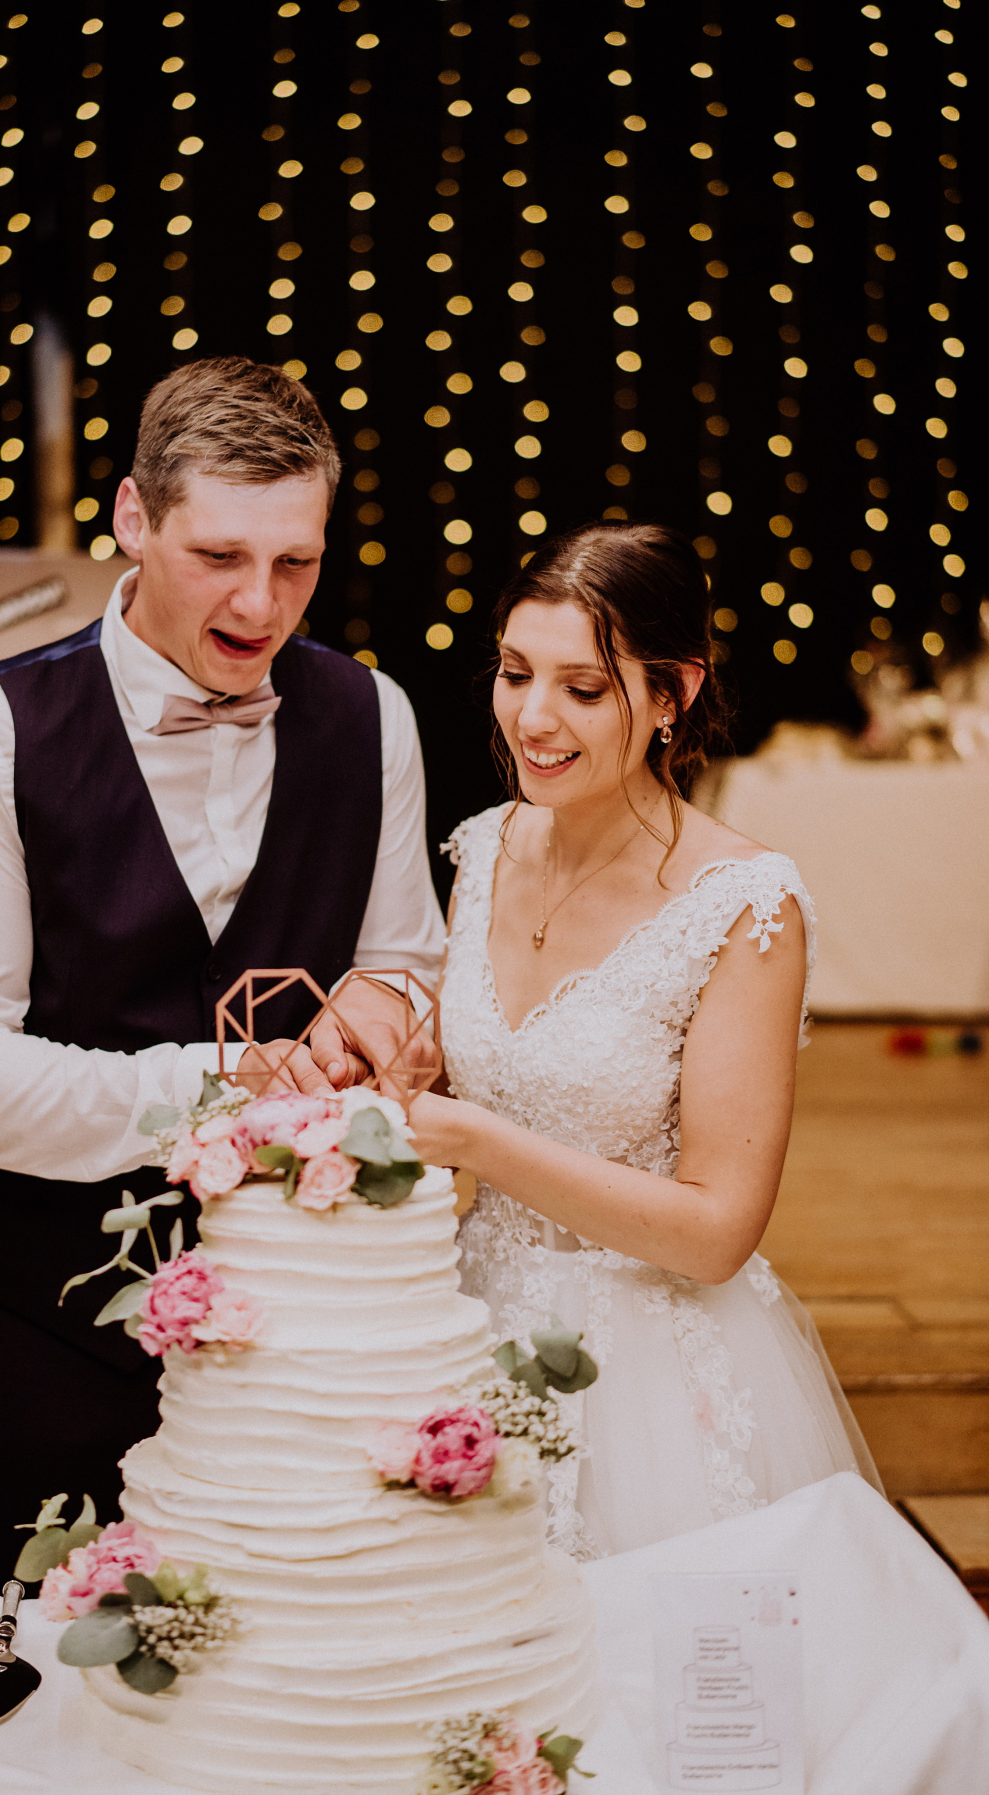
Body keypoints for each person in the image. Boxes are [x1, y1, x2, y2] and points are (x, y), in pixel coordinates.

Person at [0, 356, 443, 1588]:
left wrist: (384, 1011)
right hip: (35, 1337)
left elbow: (403, 957)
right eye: (219, 557)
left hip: (304, 1345)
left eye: (296, 562)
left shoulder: (372, 717)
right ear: (133, 517)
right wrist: (224, 1082)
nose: (261, 602)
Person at [406, 519, 886, 1559]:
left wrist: (476, 1145)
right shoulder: (484, 847)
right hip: (464, 1331)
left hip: (648, 1378)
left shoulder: (742, 903)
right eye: (517, 672)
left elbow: (718, 1232)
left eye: (584, 688)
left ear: (672, 694)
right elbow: (464, 1064)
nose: (534, 717)